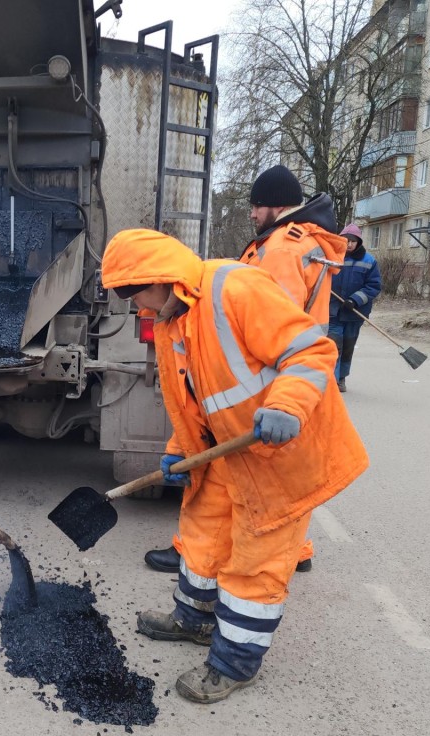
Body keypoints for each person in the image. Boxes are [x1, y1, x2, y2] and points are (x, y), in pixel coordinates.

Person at [103, 229, 368, 703]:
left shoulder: (236, 288)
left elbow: (311, 350)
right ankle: (195, 620)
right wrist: (178, 448)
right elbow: (192, 401)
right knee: (202, 535)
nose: (130, 303)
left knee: (255, 563)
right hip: (228, 451)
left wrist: (287, 406)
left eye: (131, 289)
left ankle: (234, 663)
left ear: (160, 277)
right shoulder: (169, 321)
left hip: (283, 453)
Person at [144, 165, 346, 576]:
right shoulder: (300, 242)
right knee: (282, 476)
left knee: (239, 478)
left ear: (278, 205)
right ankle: (296, 549)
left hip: (276, 380)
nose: (252, 214)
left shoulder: (285, 249)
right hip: (292, 378)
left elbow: (269, 321)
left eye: (257, 206)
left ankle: (207, 556)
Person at [329, 224, 382, 393]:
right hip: (333, 311)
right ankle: (333, 380)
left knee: (347, 347)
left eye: (353, 241)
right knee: (333, 345)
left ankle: (342, 377)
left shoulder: (369, 261)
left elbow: (373, 286)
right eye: (346, 240)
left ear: (358, 242)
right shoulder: (332, 257)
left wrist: (355, 300)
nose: (349, 244)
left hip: (354, 313)